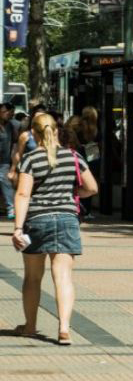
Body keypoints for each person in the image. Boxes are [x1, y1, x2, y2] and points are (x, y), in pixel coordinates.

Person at [11, 112, 97, 345]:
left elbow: (22, 193)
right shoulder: (74, 156)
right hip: (67, 219)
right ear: (56, 130)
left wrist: (18, 228)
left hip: (37, 221)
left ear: (34, 134)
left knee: (32, 278)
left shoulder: (31, 159)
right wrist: (71, 194)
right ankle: (64, 329)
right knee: (63, 277)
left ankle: (30, 326)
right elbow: (92, 187)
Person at [0, 103, 19, 217]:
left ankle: (11, 208)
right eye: (6, 111)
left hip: (5, 161)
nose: (9, 114)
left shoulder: (12, 125)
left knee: (4, 180)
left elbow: (15, 142)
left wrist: (14, 161)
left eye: (11, 112)